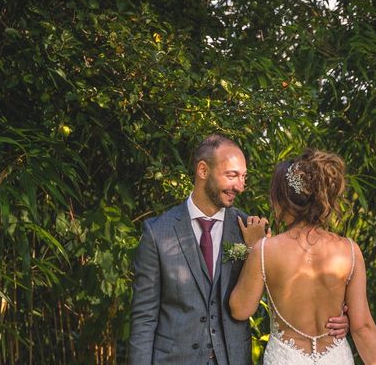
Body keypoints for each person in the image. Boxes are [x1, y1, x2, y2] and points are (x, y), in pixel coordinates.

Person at [129, 135, 349, 365]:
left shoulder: (249, 230)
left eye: (243, 177)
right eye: (232, 175)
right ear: (203, 171)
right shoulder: (158, 233)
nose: (240, 186)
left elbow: (285, 297)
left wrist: (340, 318)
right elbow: (144, 317)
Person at [229, 149, 376, 365]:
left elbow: (240, 309)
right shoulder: (349, 250)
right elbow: (363, 327)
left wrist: (252, 249)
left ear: (283, 199)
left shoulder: (265, 250)